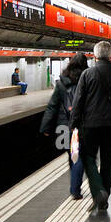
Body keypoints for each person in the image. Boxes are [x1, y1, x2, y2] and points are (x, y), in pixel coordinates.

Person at [70, 40, 111, 216]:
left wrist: (73, 125)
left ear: (94, 56)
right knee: (108, 161)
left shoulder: (87, 74)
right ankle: (104, 199)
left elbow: (78, 102)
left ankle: (98, 191)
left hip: (90, 125)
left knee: (87, 156)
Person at [40, 53, 88, 199]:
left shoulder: (61, 82)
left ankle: (74, 188)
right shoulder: (87, 79)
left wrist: (46, 128)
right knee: (79, 157)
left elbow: (52, 106)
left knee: (72, 156)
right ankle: (75, 189)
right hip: (82, 125)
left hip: (64, 127)